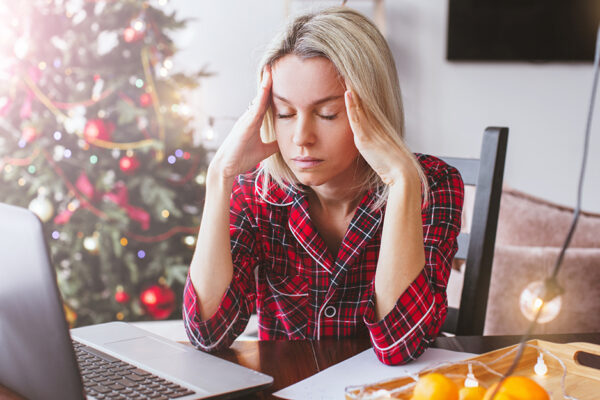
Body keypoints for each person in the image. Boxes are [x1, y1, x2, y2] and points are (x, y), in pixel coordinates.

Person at [183, 6, 464, 366]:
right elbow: (208, 333)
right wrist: (220, 174)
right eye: (284, 113)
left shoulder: (432, 185)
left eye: (328, 114)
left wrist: (402, 181)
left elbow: (400, 346)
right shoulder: (257, 193)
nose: (301, 137)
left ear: (374, 109)